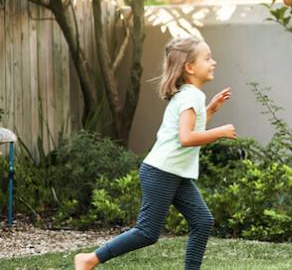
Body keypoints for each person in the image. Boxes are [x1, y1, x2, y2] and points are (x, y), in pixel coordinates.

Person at [75, 36, 236, 270]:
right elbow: (187, 138)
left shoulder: (189, 95)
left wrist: (210, 110)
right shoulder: (191, 95)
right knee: (147, 232)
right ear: (189, 67)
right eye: (207, 58)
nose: (214, 62)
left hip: (173, 172)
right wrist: (220, 132)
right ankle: (89, 259)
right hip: (162, 172)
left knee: (202, 221)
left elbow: (188, 131)